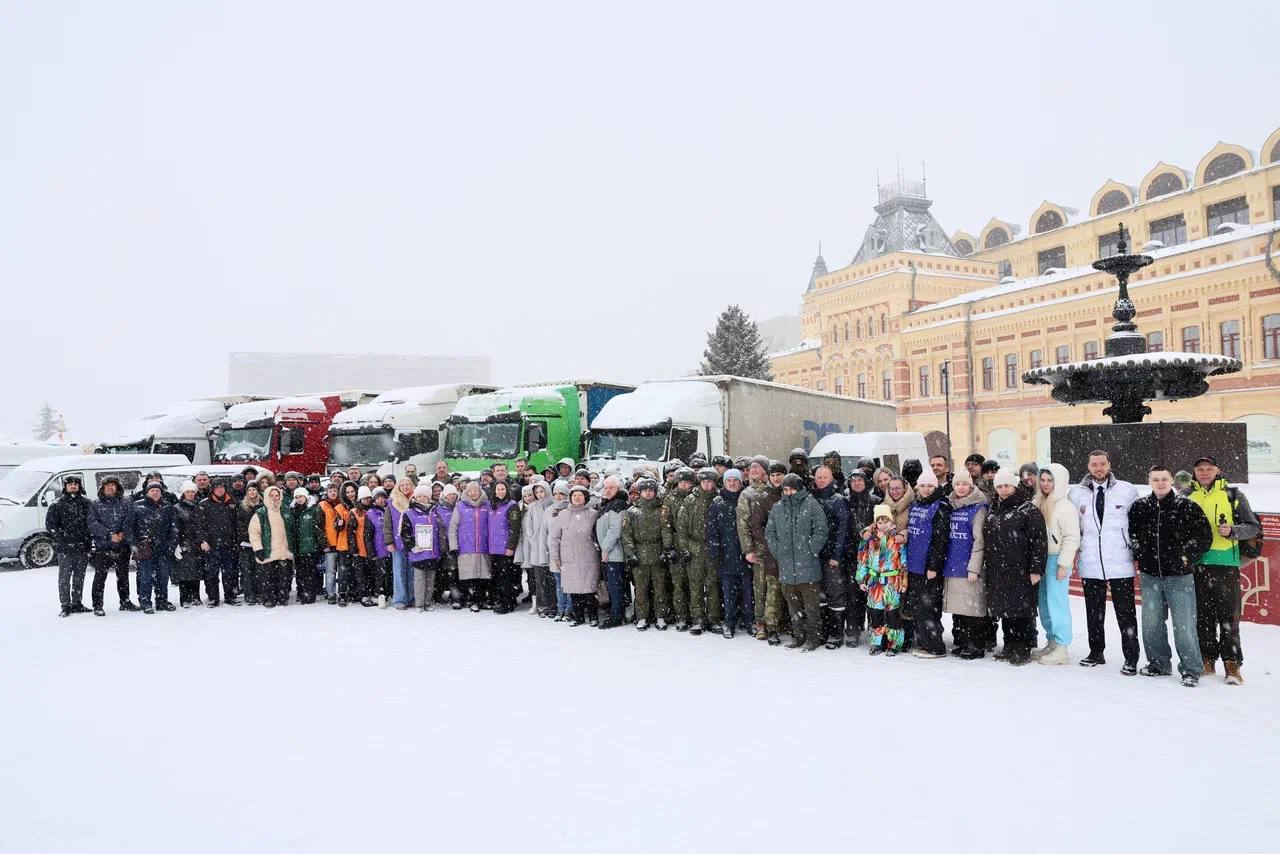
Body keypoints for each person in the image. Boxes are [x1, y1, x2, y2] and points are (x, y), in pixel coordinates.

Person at [1129, 465, 1213, 686]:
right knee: (1152, 623)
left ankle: (1191, 669)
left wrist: (1185, 555)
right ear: (1149, 481)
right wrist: (1139, 551)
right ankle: (1158, 663)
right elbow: (1132, 533)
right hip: (1150, 575)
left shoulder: (1187, 506)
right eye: (1155, 479)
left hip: (1179, 576)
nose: (1160, 483)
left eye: (1164, 479)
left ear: (1171, 480)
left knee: (1184, 625)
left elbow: (1204, 536)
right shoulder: (1140, 506)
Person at [1188, 455, 1260, 686]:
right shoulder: (1187, 496)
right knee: (1202, 617)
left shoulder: (1233, 495)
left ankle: (1232, 663)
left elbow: (1253, 527)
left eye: (1209, 469)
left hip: (1226, 565)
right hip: (1197, 565)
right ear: (1194, 472)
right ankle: (1207, 659)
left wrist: (1233, 531)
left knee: (1229, 617)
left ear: (1217, 470)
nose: (1204, 473)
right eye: (1200, 469)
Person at [1067, 450, 1139, 674]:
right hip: (1090, 562)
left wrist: (1135, 546)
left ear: (1109, 464)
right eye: (1094, 464)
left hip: (1120, 562)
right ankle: (1096, 652)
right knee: (1093, 612)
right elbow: (1072, 527)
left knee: (1125, 613)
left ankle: (1131, 657)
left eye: (1102, 464)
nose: (1098, 468)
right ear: (1088, 466)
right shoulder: (1075, 494)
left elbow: (1136, 522)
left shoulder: (1126, 490)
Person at [983, 470, 1048, 666]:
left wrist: (1036, 569)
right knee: (1005, 609)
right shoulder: (994, 509)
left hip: (1021, 569)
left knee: (1021, 610)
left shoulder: (1028, 510)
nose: (1003, 490)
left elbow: (1039, 541)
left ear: (1014, 486)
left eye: (1007, 486)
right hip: (998, 569)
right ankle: (1009, 645)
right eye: (1000, 486)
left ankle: (1023, 647)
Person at [766, 473, 828, 651]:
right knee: (793, 607)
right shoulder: (778, 507)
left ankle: (813, 638)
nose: (788, 492)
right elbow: (770, 533)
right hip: (786, 566)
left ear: (799, 489)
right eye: (785, 489)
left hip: (808, 566)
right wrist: (778, 551)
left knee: (811, 607)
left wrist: (811, 549)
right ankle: (798, 636)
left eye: (792, 489)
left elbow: (821, 530)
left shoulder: (811, 504)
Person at [1031, 463, 1080, 665]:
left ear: (1058, 482)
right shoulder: (1037, 502)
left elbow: (1072, 537)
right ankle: (1051, 640)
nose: (1045, 484)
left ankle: (1062, 646)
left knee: (1057, 602)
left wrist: (1063, 564)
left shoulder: (1065, 506)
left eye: (1050, 480)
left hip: (1056, 559)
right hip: (1040, 558)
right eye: (1042, 480)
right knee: (1044, 603)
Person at [903, 469, 950, 658]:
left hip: (928, 568)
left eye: (930, 486)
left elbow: (940, 540)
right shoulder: (916, 504)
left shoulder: (940, 506)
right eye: (923, 485)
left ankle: (935, 647)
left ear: (936, 487)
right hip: (914, 565)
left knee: (928, 607)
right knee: (918, 607)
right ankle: (923, 642)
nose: (926, 489)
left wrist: (933, 566)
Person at [942, 470, 988, 659]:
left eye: (964, 484)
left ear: (971, 486)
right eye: (957, 484)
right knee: (958, 608)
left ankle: (974, 645)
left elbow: (980, 541)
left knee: (971, 608)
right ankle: (961, 642)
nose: (961, 488)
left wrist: (974, 567)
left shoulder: (978, 508)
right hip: (952, 564)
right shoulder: (951, 505)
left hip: (968, 566)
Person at [744, 461, 787, 644]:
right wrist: (771, 542)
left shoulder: (792, 493)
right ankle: (768, 625)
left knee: (789, 590)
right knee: (769, 590)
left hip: (793, 552)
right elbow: (756, 525)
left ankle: (788, 623)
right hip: (770, 551)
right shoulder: (763, 498)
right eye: (773, 475)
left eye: (779, 475)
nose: (776, 478)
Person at [856, 505, 907, 654]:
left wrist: (904, 582)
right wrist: (861, 579)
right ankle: (877, 643)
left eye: (886, 521)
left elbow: (904, 563)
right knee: (875, 614)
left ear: (891, 522)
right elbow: (862, 560)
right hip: (874, 582)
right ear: (875, 523)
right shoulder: (869, 539)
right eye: (880, 522)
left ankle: (894, 644)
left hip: (892, 581)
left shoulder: (897, 539)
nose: (883, 525)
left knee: (892, 614)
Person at [548, 485, 600, 626]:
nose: (577, 497)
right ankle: (578, 617)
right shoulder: (563, 515)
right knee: (574, 589)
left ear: (585, 498)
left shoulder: (593, 514)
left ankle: (593, 617)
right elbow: (554, 538)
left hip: (589, 556)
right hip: (569, 557)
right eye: (574, 495)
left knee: (590, 589)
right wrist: (555, 557)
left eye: (580, 495)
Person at [707, 469, 751, 638]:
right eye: (729, 480)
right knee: (728, 593)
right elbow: (712, 530)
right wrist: (715, 551)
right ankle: (729, 622)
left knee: (748, 592)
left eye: (735, 480)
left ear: (741, 482)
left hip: (745, 553)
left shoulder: (746, 498)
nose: (732, 483)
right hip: (726, 554)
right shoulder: (717, 503)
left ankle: (749, 620)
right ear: (724, 483)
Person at [624, 477, 671, 631]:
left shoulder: (661, 510)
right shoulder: (632, 511)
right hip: (639, 553)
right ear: (640, 492)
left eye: (651, 490)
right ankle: (642, 616)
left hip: (657, 551)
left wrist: (666, 550)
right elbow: (626, 534)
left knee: (660, 587)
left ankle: (660, 615)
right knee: (641, 588)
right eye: (645, 490)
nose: (648, 493)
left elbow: (666, 530)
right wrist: (630, 554)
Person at [676, 468, 720, 633]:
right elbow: (681, 527)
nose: (707, 485)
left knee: (713, 584)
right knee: (695, 585)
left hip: (713, 547)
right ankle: (698, 618)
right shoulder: (690, 500)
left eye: (710, 482)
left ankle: (714, 618)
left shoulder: (718, 499)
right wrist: (684, 549)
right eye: (704, 482)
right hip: (695, 547)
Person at [811, 465, 850, 649]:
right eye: (818, 477)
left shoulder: (839, 500)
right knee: (820, 595)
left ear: (831, 479)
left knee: (835, 592)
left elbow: (842, 530)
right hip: (815, 555)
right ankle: (824, 630)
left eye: (825, 477)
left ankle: (836, 632)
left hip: (832, 556)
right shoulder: (811, 498)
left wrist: (836, 555)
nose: (821, 480)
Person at [87, 475, 138, 614]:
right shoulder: (95, 503)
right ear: (102, 487)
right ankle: (98, 605)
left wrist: (123, 533)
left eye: (113, 485)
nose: (111, 487)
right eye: (108, 485)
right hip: (103, 546)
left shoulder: (127, 501)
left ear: (117, 487)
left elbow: (130, 519)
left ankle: (125, 601)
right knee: (100, 577)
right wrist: (109, 534)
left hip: (122, 545)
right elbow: (92, 523)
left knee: (123, 576)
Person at [47, 474, 92, 617]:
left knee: (79, 577)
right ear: (65, 486)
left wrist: (87, 538)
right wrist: (64, 537)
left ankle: (77, 603)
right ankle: (65, 605)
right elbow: (51, 526)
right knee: (64, 579)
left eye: (75, 484)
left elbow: (91, 523)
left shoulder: (86, 503)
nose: (73, 486)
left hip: (82, 547)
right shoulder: (56, 504)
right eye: (70, 484)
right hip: (65, 548)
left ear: (79, 486)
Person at [129, 481, 178, 613]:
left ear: (161, 492)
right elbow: (129, 527)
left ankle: (162, 601)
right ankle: (145, 602)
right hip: (145, 548)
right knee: (146, 577)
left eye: (157, 490)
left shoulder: (168, 506)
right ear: (147, 492)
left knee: (163, 577)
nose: (155, 492)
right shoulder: (137, 506)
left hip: (163, 547)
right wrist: (133, 544)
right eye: (152, 490)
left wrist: (171, 544)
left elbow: (174, 527)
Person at [248, 485, 294, 608]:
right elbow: (254, 533)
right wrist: (258, 548)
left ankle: (282, 598)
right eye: (272, 495)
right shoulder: (261, 513)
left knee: (284, 578)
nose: (274, 497)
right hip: (269, 552)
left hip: (284, 551)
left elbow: (292, 529)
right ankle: (269, 599)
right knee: (268, 578)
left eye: (277, 495)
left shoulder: (286, 511)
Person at [449, 481, 492, 611]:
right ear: (466, 492)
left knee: (483, 576)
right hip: (466, 547)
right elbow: (453, 527)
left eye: (476, 490)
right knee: (469, 576)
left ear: (480, 491)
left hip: (483, 547)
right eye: (470, 491)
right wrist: (454, 546)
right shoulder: (460, 506)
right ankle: (472, 600)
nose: (473, 493)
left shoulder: (487, 505)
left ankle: (482, 600)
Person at [198, 477, 241, 605]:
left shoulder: (233, 503)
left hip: (229, 544)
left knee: (230, 572)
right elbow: (199, 525)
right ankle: (213, 598)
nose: (220, 490)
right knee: (211, 573)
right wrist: (202, 540)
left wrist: (237, 541)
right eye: (217, 487)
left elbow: (237, 524)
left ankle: (230, 596)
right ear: (212, 489)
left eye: (222, 487)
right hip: (211, 545)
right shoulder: (204, 504)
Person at [402, 483, 444, 612]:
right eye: (419, 496)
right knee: (419, 579)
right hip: (418, 552)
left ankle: (427, 602)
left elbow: (440, 530)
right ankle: (419, 603)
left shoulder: (435, 511)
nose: (422, 498)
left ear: (429, 497)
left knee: (430, 579)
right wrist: (412, 546)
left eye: (425, 496)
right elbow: (405, 533)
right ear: (415, 497)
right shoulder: (409, 513)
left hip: (433, 551)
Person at [662, 466, 696, 628]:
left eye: (688, 482)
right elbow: (665, 525)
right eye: (682, 482)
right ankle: (681, 615)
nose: (685, 486)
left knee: (694, 584)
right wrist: (669, 547)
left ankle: (695, 615)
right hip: (676, 544)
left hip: (694, 544)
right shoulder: (670, 499)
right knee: (678, 583)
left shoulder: (696, 498)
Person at [595, 476, 629, 629]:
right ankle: (616, 612)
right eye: (606, 488)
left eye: (611, 488)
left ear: (618, 489)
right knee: (613, 585)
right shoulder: (609, 504)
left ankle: (617, 616)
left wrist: (605, 548)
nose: (607, 490)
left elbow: (615, 530)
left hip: (614, 553)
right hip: (609, 552)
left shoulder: (618, 505)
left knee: (616, 587)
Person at [517, 483, 553, 616]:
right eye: (537, 492)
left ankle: (553, 605)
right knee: (540, 580)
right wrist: (534, 540)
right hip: (537, 549)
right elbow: (528, 527)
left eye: (541, 491)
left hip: (551, 548)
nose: (539, 494)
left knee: (552, 580)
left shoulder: (553, 506)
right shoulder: (532, 507)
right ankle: (542, 606)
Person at [172, 482, 209, 608]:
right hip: (184, 543)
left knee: (196, 571)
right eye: (187, 492)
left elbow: (202, 526)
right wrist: (176, 544)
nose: (190, 494)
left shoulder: (199, 506)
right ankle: (184, 598)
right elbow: (175, 527)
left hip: (197, 543)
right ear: (183, 493)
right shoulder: (177, 508)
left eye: (192, 491)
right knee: (183, 572)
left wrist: (202, 540)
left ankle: (195, 596)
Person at [487, 480, 522, 613]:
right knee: (497, 576)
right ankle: (502, 600)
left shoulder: (512, 506)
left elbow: (515, 528)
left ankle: (507, 603)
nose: (500, 492)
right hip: (493, 548)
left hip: (505, 548)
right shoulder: (492, 506)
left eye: (503, 489)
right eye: (498, 489)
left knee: (506, 577)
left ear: (507, 491)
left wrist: (510, 547)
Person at [287, 487, 323, 604]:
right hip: (297, 547)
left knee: (310, 572)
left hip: (310, 547)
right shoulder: (292, 511)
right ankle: (301, 593)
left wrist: (319, 544)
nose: (299, 499)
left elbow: (318, 528)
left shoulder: (313, 510)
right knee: (300, 572)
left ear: (306, 497)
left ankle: (310, 595)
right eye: (297, 497)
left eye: (301, 497)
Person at [383, 477, 414, 609]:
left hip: (413, 543)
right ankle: (400, 599)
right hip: (397, 542)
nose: (405, 487)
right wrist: (389, 542)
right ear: (398, 487)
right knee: (399, 571)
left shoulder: (416, 501)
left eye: (408, 485)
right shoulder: (392, 503)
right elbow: (387, 524)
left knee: (412, 571)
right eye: (402, 485)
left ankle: (411, 597)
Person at [318, 484, 350, 606]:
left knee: (342, 570)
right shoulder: (322, 505)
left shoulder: (343, 505)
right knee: (330, 571)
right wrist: (324, 543)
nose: (332, 493)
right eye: (330, 491)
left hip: (342, 544)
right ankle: (331, 593)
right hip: (329, 544)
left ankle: (343, 592)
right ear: (327, 492)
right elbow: (319, 527)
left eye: (335, 491)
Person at [364, 487, 392, 607]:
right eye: (378, 498)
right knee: (380, 574)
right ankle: (378, 595)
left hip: (391, 549)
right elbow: (368, 535)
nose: (381, 500)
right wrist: (371, 552)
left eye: (383, 497)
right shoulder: (370, 514)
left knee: (390, 573)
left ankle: (389, 594)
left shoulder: (390, 510)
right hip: (379, 549)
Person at [434, 484, 461, 606]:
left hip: (457, 545)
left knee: (454, 573)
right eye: (449, 494)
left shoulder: (459, 507)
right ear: (444, 495)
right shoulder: (438, 509)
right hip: (443, 545)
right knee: (444, 572)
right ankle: (439, 594)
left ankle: (456, 596)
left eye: (454, 494)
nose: (451, 496)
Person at [236, 484, 262, 605]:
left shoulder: (263, 505)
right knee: (247, 571)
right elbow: (239, 525)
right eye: (249, 490)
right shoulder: (242, 506)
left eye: (254, 489)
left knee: (260, 570)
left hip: (261, 543)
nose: (252, 492)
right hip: (246, 544)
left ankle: (260, 594)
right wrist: (250, 538)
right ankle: (250, 595)